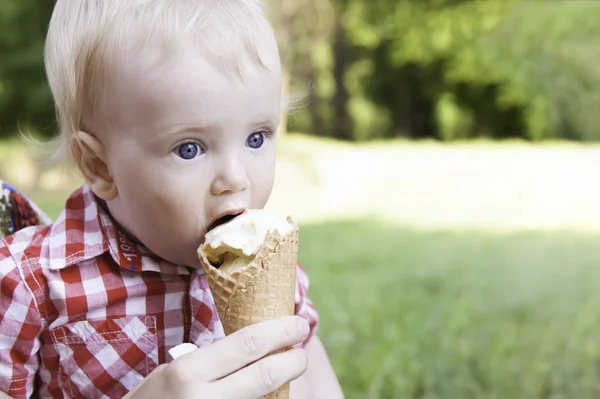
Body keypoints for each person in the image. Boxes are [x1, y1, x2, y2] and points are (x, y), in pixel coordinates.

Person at [0, 1, 344, 398]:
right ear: (100, 166)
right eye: (189, 149)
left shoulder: (272, 270)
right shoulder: (29, 286)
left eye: (256, 138)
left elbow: (310, 370)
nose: (235, 178)